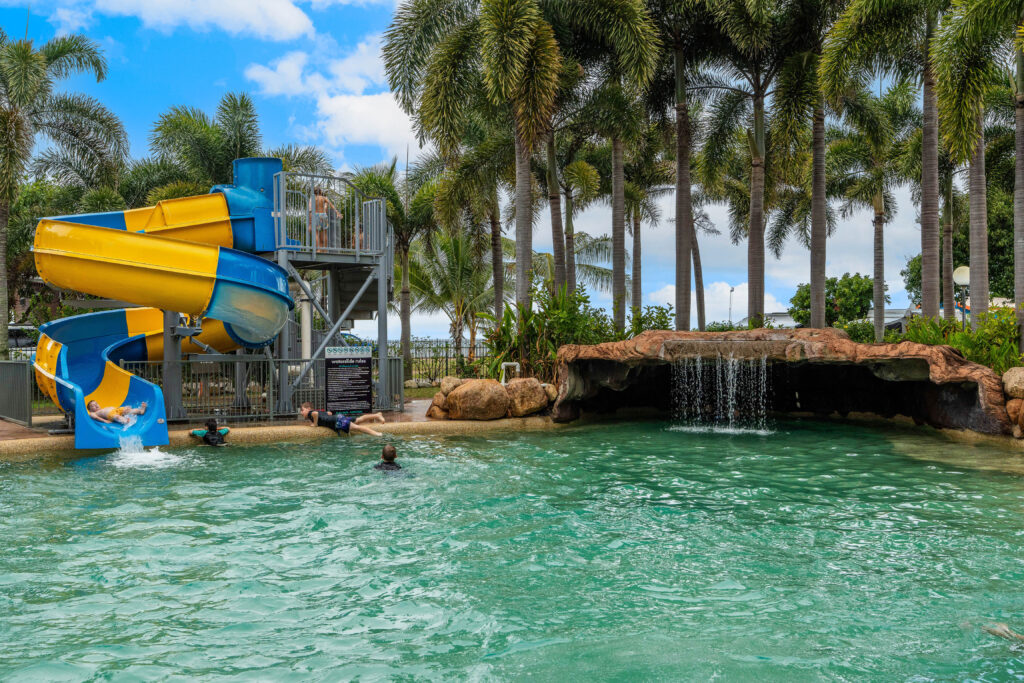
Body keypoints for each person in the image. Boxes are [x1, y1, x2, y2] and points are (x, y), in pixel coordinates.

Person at [299, 402, 385, 437]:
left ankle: (377, 434)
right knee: (359, 419)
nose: (301, 412)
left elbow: (315, 414)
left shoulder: (311, 413)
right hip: (338, 418)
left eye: (302, 410)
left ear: (308, 408)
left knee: (356, 427)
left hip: (337, 421)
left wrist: (315, 424)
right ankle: (377, 415)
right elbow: (329, 413)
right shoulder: (317, 412)